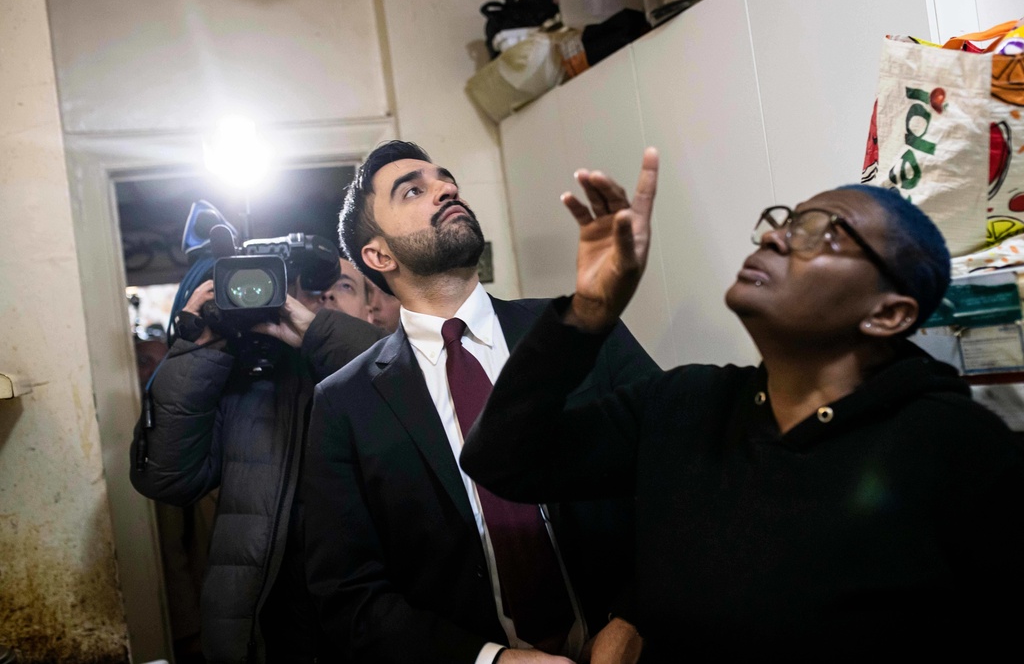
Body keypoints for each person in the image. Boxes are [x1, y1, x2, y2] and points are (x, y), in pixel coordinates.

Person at [461, 148, 1024, 661]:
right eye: (783, 221)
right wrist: (588, 312)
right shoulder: (684, 404)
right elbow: (502, 459)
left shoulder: (955, 447)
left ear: (888, 314)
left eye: (821, 232)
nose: (776, 238)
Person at [302, 140, 659, 664]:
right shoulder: (344, 404)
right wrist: (489, 659)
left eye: (445, 180)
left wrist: (632, 617)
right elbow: (348, 594)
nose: (446, 189)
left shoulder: (576, 328)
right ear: (378, 256)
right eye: (414, 191)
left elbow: (679, 472)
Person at [130, 270, 385, 663]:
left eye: (344, 286)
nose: (326, 298)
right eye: (314, 288)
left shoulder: (399, 374)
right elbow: (167, 478)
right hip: (268, 632)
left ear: (372, 309)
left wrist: (327, 338)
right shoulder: (251, 386)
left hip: (377, 629)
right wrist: (196, 351)